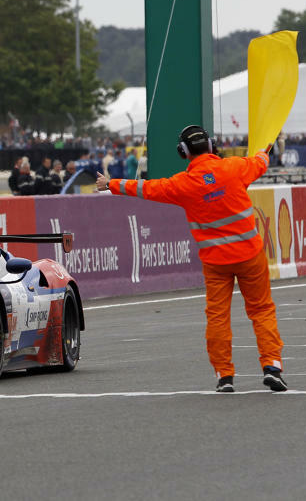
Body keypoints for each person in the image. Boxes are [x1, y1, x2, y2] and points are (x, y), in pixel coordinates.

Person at [95, 125, 284, 393]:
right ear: (210, 145)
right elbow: (260, 163)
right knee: (262, 310)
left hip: (215, 261)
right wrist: (265, 147)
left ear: (183, 152)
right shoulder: (235, 167)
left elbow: (147, 188)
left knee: (218, 317)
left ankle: (224, 376)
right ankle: (272, 366)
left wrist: (110, 184)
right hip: (249, 255)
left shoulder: (182, 185)